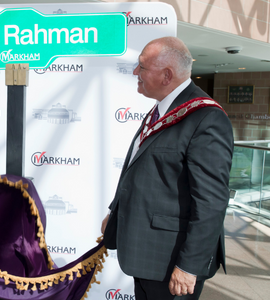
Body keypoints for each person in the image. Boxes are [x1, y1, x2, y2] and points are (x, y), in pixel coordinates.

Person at [101, 37, 233, 300]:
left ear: (167, 75)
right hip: (148, 254)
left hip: (173, 261)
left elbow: (211, 203)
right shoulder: (162, 110)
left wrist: (188, 266)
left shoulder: (205, 118)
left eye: (142, 67)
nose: (135, 73)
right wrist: (115, 212)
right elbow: (139, 169)